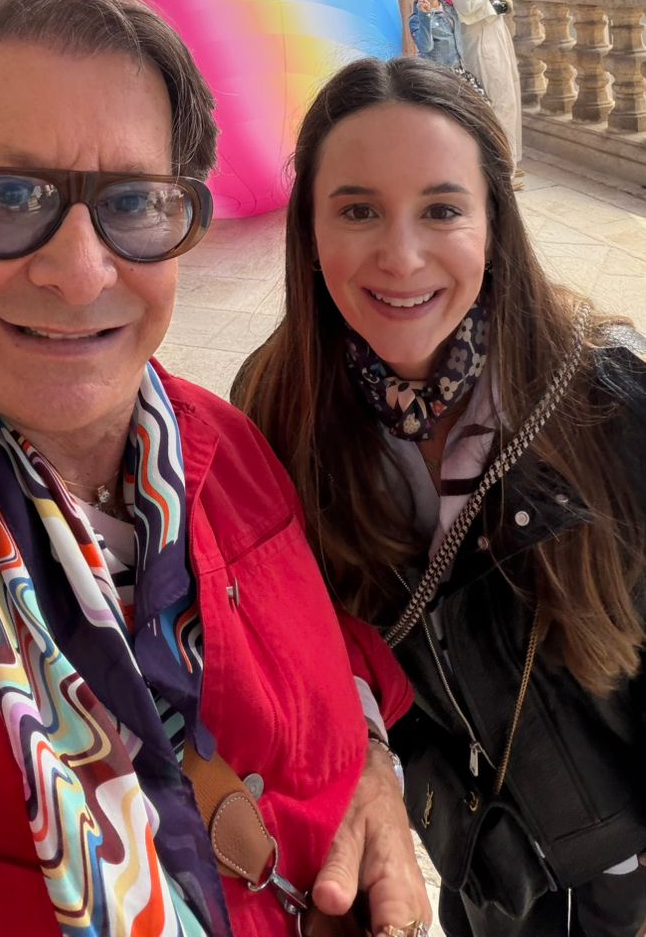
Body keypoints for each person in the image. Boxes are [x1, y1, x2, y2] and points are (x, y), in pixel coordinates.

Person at [0, 0, 432, 937]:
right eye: (7, 196)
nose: (79, 272)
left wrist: (373, 770)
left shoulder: (222, 440)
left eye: (135, 202)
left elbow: (324, 641)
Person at [233, 56, 646, 937]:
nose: (401, 257)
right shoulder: (277, 410)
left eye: (442, 210)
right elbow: (302, 636)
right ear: (309, 228)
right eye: (357, 211)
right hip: (480, 870)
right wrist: (370, 764)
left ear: (494, 221)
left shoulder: (608, 405)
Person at [433, 0, 523, 182]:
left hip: (495, 28)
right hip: (476, 36)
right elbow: (468, 4)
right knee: (491, 100)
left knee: (507, 96)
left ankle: (508, 164)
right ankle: (498, 170)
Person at [405, 0, 462, 70]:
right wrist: (425, 15)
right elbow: (426, 47)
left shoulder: (448, 4)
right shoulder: (416, 20)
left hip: (460, 67)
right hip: (439, 72)